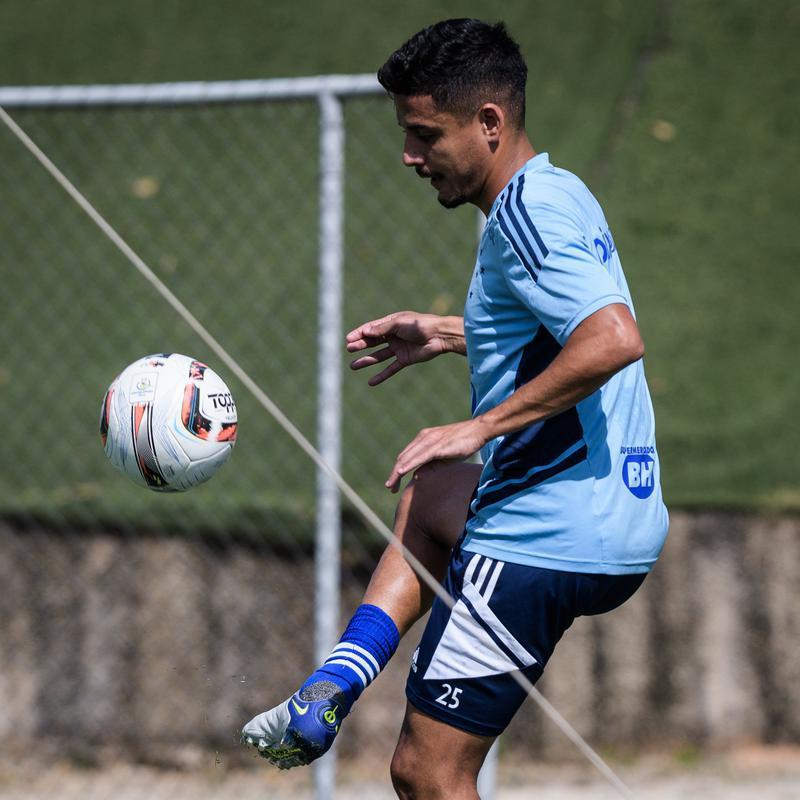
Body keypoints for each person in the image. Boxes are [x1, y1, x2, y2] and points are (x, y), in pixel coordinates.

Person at [242, 18, 669, 798]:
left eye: (425, 134)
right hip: (617, 513)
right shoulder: (556, 192)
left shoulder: (524, 216)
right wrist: (442, 332)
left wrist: (477, 425)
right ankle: (336, 681)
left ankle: (331, 693)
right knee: (435, 494)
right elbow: (559, 332)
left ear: (490, 123)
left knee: (425, 771)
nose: (410, 155)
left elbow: (611, 339)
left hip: (549, 534)